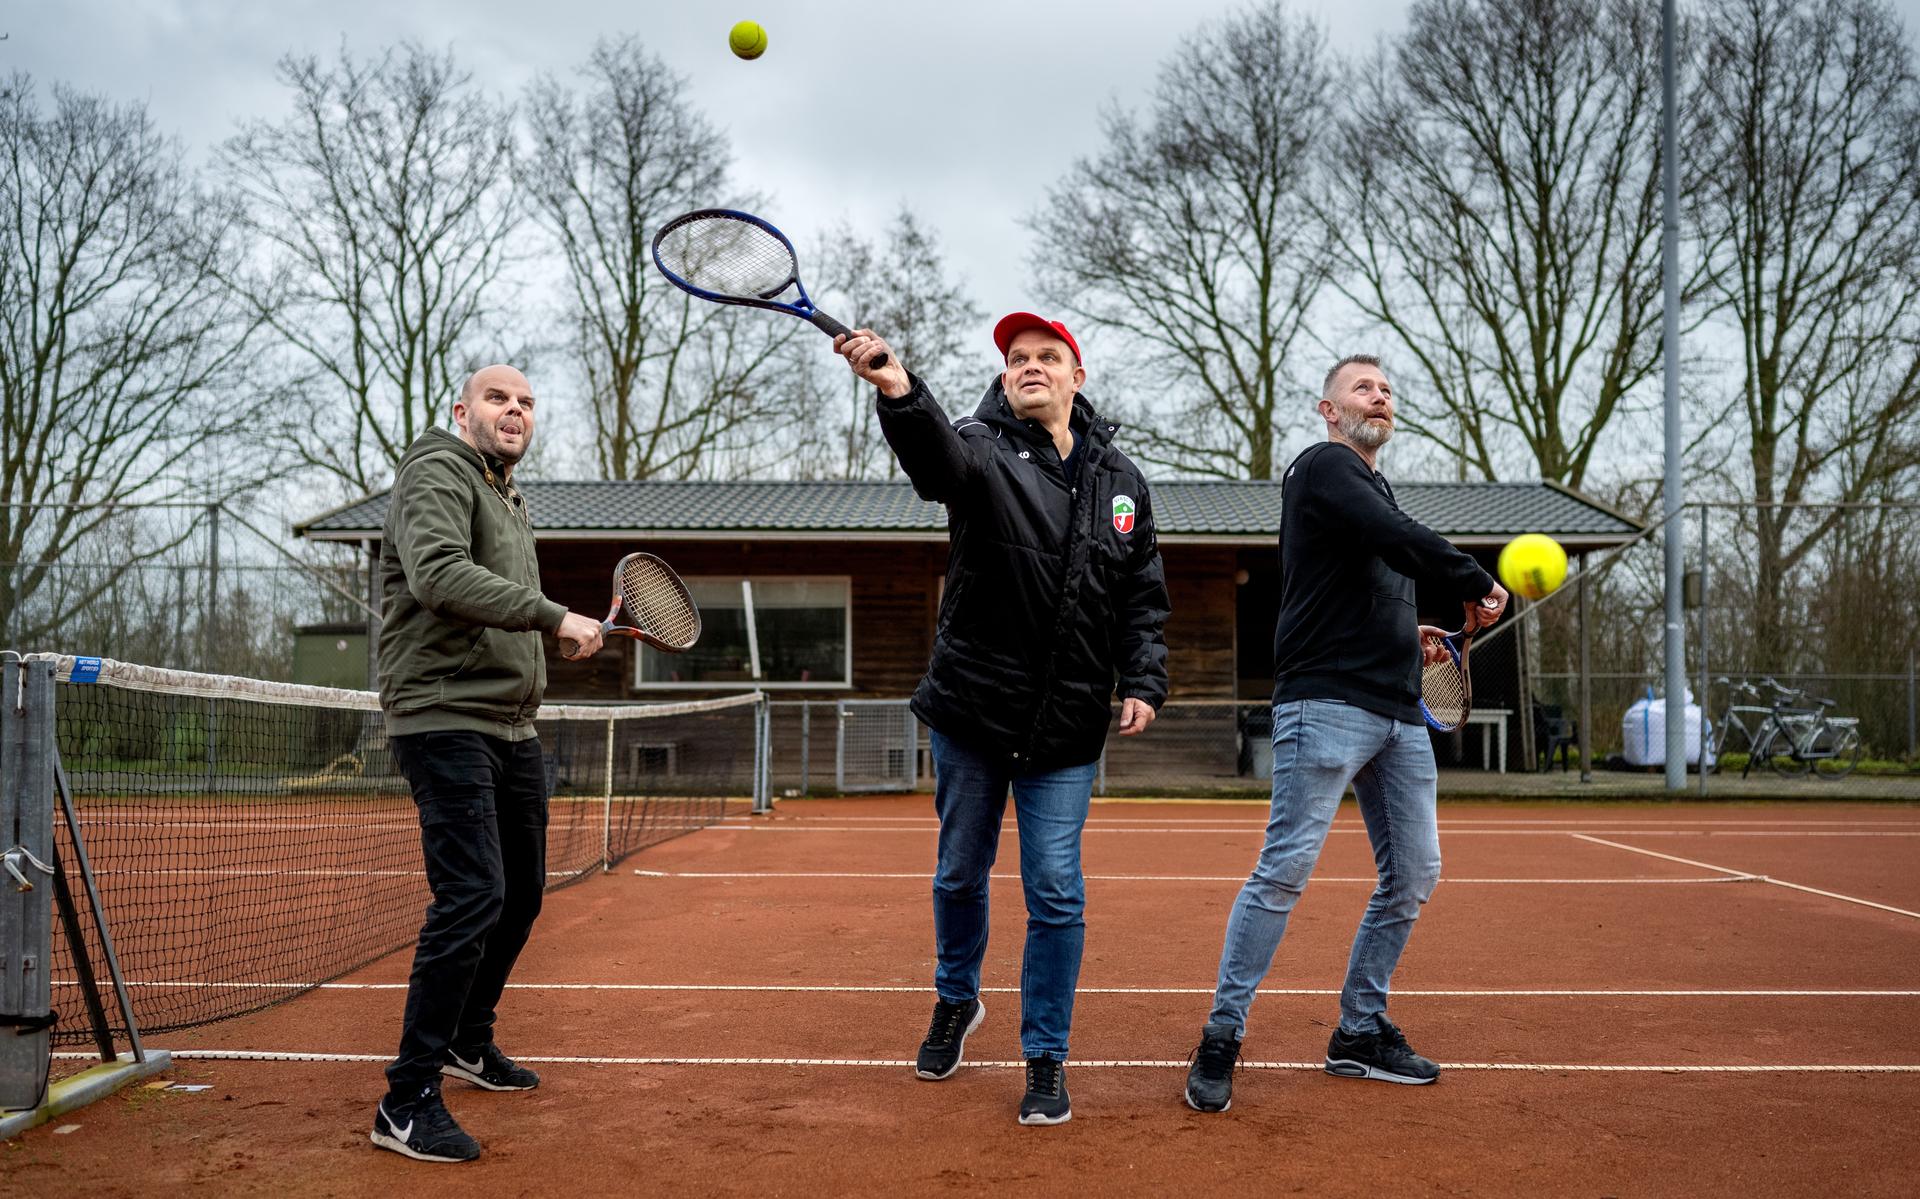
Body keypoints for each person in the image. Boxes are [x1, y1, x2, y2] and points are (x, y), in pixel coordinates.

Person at [833, 313, 1170, 1126]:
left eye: (1047, 357)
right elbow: (935, 463)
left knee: (1055, 889)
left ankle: (1046, 1055)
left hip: (1065, 724)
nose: (1028, 367)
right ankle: (957, 998)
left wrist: (1145, 679)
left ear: (1076, 377)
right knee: (959, 871)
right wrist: (898, 390)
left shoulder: (1122, 480)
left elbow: (1142, 594)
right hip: (975, 712)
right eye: (1016, 358)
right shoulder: (979, 444)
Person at [1183, 354, 1508, 1112]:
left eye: (1389, 390)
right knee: (1285, 868)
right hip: (1326, 702)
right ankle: (1221, 1034)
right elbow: (1389, 534)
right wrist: (1470, 577)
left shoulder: (1371, 487)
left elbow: (1372, 565)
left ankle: (1359, 1031)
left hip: (1397, 710)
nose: (1380, 397)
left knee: (1415, 872)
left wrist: (1412, 630)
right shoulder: (1322, 466)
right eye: (1364, 387)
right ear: (1328, 409)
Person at [369, 364, 608, 1163]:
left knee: (523, 893)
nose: (514, 411)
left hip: (510, 721)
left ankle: (470, 1040)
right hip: (445, 714)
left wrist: (545, 645)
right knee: (472, 894)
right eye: (499, 399)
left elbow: (496, 600)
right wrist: (551, 615)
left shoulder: (504, 489)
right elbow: (438, 576)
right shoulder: (437, 467)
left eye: (527, 402)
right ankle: (405, 1101)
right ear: (462, 409)